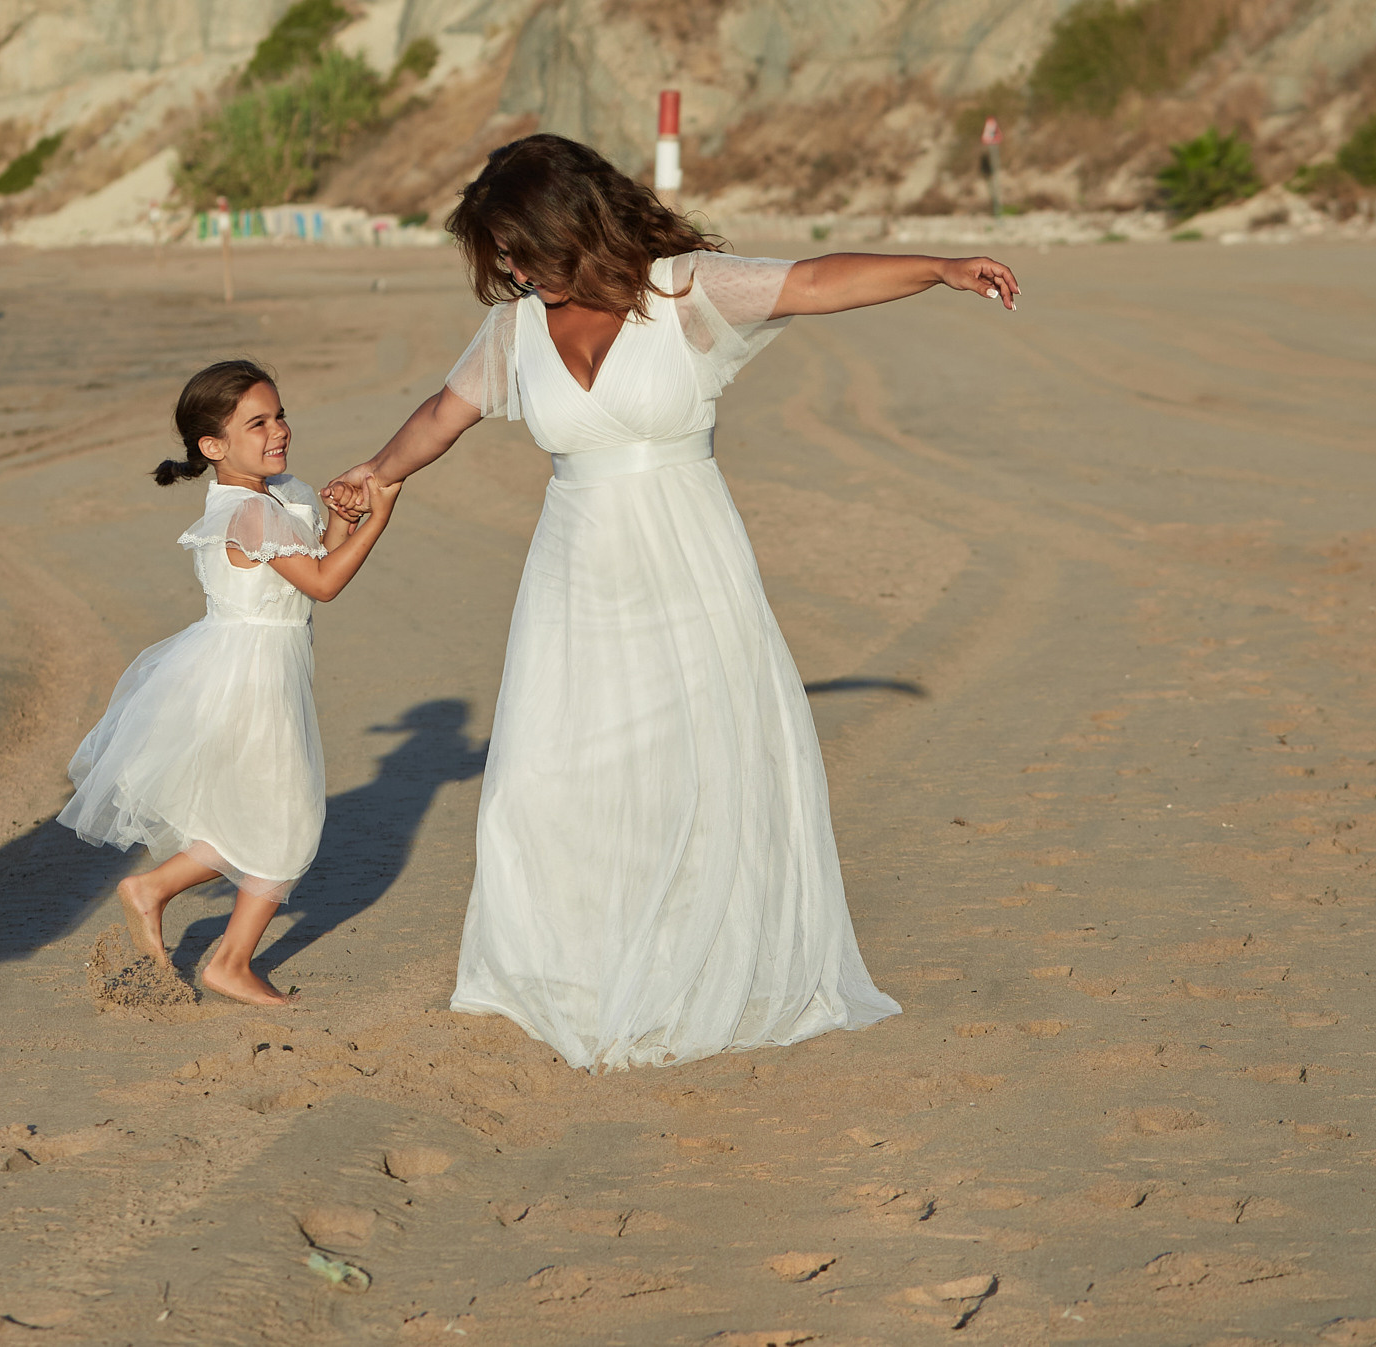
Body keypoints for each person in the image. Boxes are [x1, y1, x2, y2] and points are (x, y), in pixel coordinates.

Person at [324, 134, 1020, 1070]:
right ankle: (562, 967)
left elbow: (814, 281)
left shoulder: (682, 291)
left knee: (695, 759)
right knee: (543, 772)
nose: (513, 271)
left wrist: (937, 269)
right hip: (574, 569)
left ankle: (693, 961)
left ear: (567, 227)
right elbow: (442, 416)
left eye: (520, 250)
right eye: (503, 259)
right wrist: (375, 468)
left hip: (687, 555)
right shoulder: (515, 329)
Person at [60, 361, 400, 1005]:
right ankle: (228, 963)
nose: (279, 431)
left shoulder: (275, 495)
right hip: (249, 675)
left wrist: (342, 520)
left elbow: (317, 559)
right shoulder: (247, 511)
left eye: (279, 415)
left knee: (258, 809)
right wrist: (378, 520)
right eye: (257, 423)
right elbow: (323, 585)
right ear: (213, 448)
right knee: (288, 820)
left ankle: (153, 890)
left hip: (261, 664)